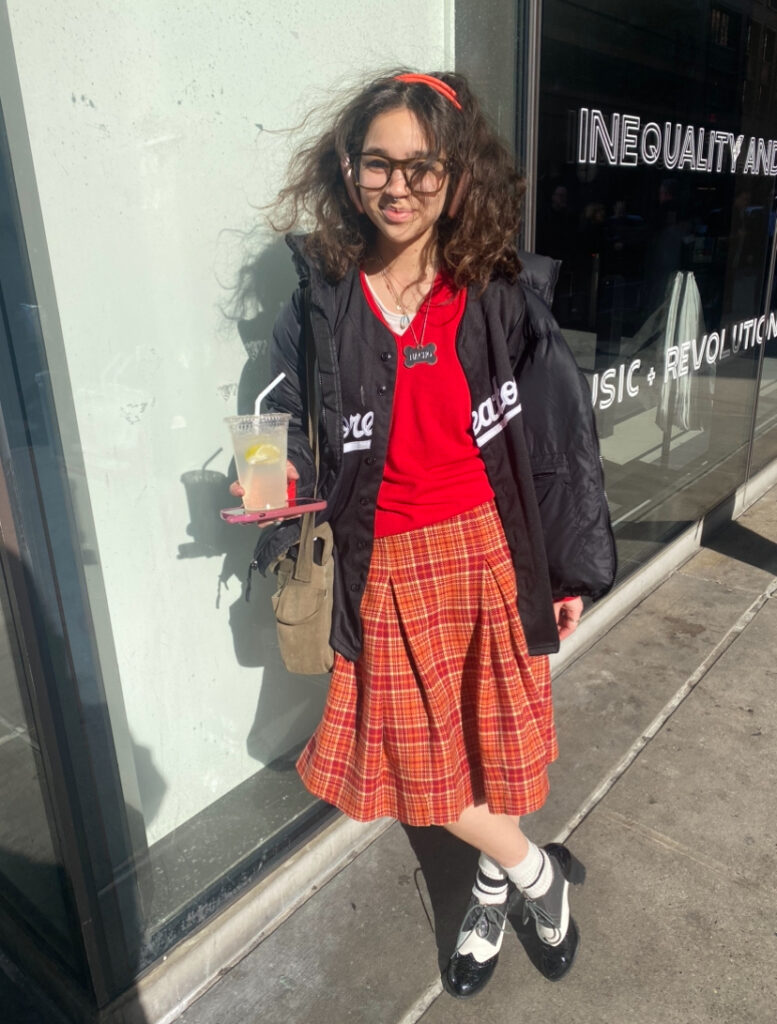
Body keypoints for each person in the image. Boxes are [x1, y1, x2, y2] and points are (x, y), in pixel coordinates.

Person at [232, 70, 616, 998]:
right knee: (426, 777)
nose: (397, 186)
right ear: (348, 169)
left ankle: (489, 886)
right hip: (383, 568)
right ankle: (534, 874)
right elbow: (269, 410)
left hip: (489, 553)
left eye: (420, 166)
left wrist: (568, 568)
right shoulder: (324, 297)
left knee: (487, 757)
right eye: (378, 164)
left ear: (455, 174)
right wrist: (266, 499)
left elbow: (558, 437)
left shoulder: (495, 288)